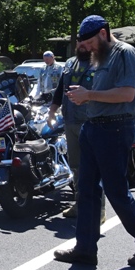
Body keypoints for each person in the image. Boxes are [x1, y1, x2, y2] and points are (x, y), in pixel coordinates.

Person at [54, 15, 135, 268]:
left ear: (103, 33)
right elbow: (101, 92)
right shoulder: (99, 56)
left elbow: (127, 93)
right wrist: (83, 97)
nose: (87, 48)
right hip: (92, 126)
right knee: (86, 190)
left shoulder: (125, 53)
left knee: (115, 190)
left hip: (115, 128)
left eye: (90, 42)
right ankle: (85, 249)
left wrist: (89, 94)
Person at [46, 41, 106, 223]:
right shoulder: (70, 63)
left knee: (94, 167)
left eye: (86, 42)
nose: (82, 45)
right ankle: (80, 204)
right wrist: (52, 110)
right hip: (70, 121)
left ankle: (98, 209)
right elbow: (60, 90)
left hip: (91, 121)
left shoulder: (101, 63)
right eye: (80, 42)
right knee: (76, 166)